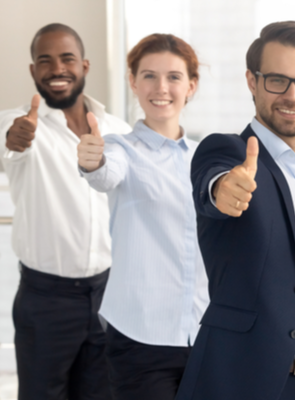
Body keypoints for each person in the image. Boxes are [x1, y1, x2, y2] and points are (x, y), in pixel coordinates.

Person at [175, 21, 295, 400]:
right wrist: (223, 190)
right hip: (243, 382)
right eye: (277, 80)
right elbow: (213, 182)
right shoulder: (228, 151)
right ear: (252, 81)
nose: (293, 95)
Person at [0, 23, 132, 400]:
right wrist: (14, 136)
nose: (57, 69)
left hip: (108, 296)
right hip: (45, 300)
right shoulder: (19, 124)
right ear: (33, 71)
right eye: (44, 60)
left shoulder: (117, 130)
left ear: (84, 66)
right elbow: (5, 139)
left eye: (67, 58)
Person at [76, 33, 209, 400]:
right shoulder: (120, 148)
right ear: (133, 82)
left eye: (174, 77)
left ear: (191, 86)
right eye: (148, 75)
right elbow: (104, 173)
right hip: (140, 338)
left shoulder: (205, 158)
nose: (161, 87)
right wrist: (91, 160)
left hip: (205, 334)